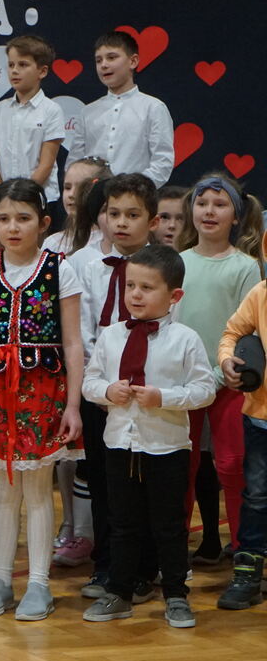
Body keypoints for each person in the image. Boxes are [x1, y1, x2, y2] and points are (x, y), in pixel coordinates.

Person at [0, 178, 85, 620]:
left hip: (43, 391)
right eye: (4, 218)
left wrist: (73, 405)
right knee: (3, 490)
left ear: (44, 222)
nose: (13, 227)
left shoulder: (59, 269)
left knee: (36, 489)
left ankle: (38, 584)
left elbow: (73, 342)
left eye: (24, 218)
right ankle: (0, 581)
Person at [82, 245, 215, 628]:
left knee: (169, 525)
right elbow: (90, 382)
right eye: (130, 286)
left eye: (147, 287)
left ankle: (175, 595)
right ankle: (119, 592)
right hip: (120, 444)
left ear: (175, 296)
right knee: (122, 522)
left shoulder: (185, 339)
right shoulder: (110, 336)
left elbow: (204, 390)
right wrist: (108, 391)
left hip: (166, 448)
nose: (136, 295)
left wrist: (164, 398)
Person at [71, 172, 159, 599]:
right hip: (100, 392)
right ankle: (106, 565)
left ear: (152, 221)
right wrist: (102, 387)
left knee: (144, 485)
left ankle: (145, 567)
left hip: (147, 396)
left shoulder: (164, 267)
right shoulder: (88, 268)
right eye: (113, 213)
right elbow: (85, 330)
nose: (121, 222)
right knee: (104, 484)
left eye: (132, 215)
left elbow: (168, 333)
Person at [174, 174, 263, 560]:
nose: (209, 211)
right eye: (202, 203)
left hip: (229, 382)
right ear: (191, 210)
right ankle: (173, 552)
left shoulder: (246, 267)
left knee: (231, 464)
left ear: (236, 216)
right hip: (184, 383)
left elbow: (245, 329)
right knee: (182, 466)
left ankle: (245, 551)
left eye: (220, 204)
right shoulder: (178, 263)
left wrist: (221, 372)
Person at [217, 243, 267, 610]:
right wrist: (227, 361)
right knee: (257, 496)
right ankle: (248, 575)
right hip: (260, 418)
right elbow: (232, 333)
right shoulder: (260, 294)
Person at [76, 30, 175, 186]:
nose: (104, 65)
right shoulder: (88, 112)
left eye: (111, 57)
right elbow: (75, 162)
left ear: (133, 61)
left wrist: (132, 189)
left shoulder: (153, 108)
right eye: (98, 60)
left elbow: (162, 162)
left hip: (136, 195)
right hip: (92, 196)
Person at [0, 35, 66, 203]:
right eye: (11, 65)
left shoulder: (51, 110)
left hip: (40, 198)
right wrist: (1, 194)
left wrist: (22, 196)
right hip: (3, 198)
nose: (14, 71)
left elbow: (46, 164)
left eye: (22, 65)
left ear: (42, 71)